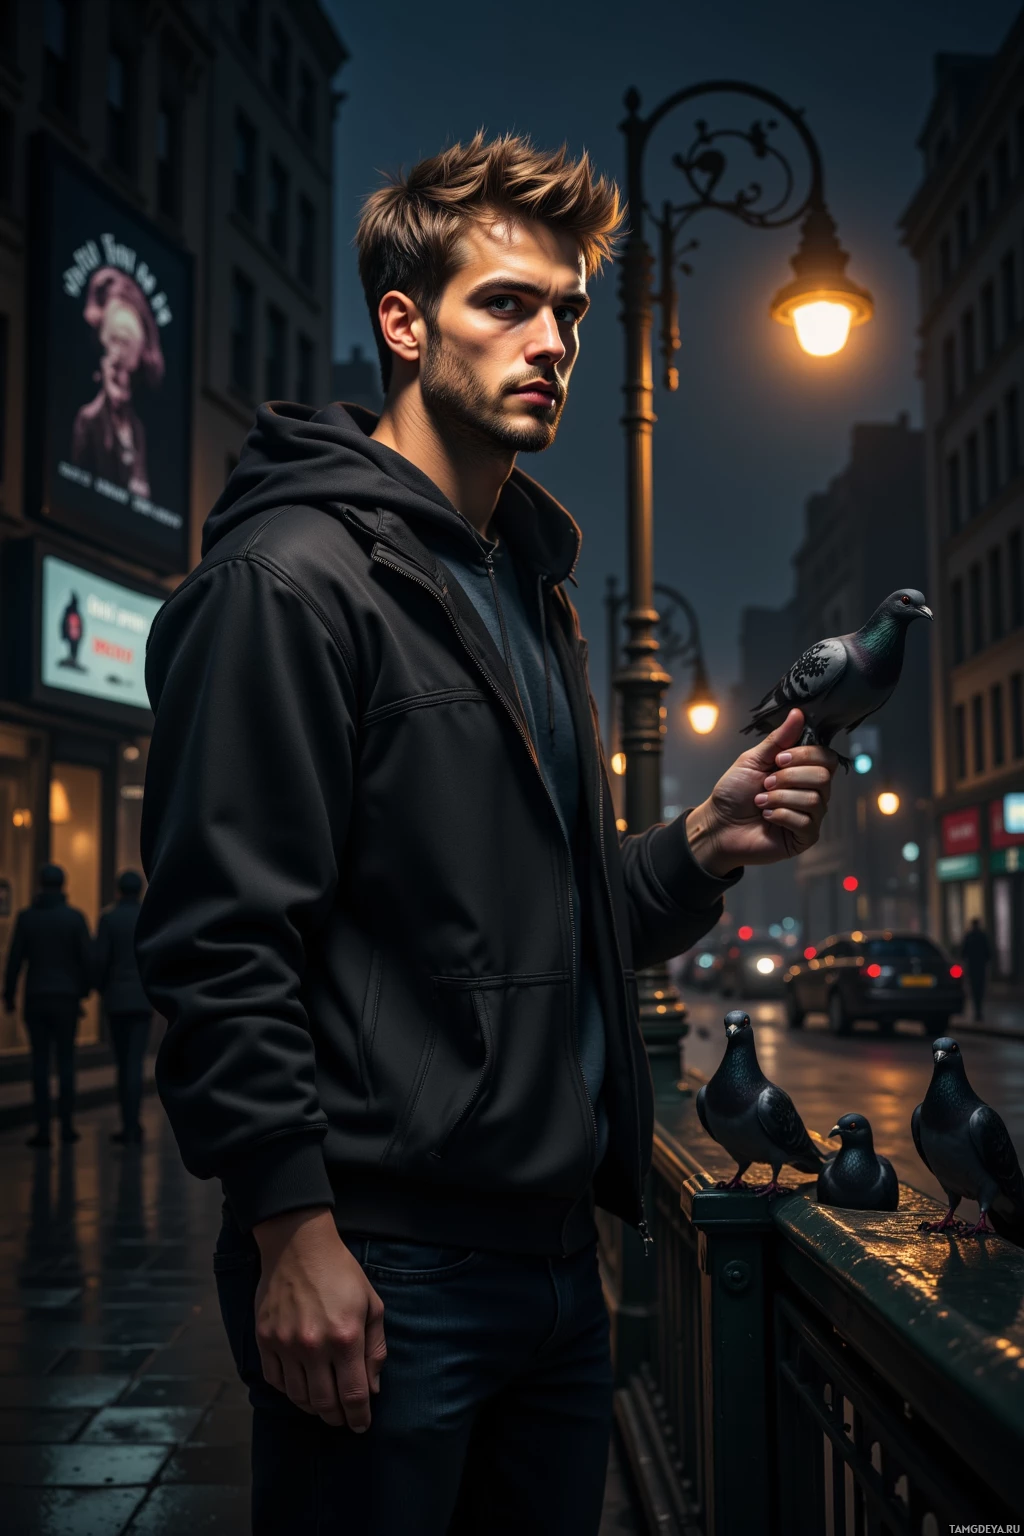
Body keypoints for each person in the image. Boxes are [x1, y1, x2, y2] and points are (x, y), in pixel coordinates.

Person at [136, 133, 838, 1536]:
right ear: (403, 323)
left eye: (569, 311)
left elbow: (547, 926)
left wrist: (703, 840)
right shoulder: (290, 582)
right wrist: (291, 1232)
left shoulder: (526, 589)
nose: (552, 341)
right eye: (504, 302)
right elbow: (219, 941)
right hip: (384, 1271)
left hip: (554, 1277)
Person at [3, 863, 91, 1148]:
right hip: (66, 998)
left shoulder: (27, 918)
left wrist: (8, 994)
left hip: (37, 998)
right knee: (66, 1062)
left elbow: (15, 960)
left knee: (39, 1064)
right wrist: (83, 991)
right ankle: (66, 1126)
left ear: (39, 884)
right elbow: (86, 959)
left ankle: (42, 1129)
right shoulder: (74, 918)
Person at [71, 266, 165, 498]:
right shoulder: (88, 421)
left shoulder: (137, 431)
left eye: (126, 344)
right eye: (114, 342)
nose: (120, 374)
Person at [93, 871, 152, 1144]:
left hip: (116, 999)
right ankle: (134, 1123)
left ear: (118, 889)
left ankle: (126, 1122)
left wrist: (101, 989)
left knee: (122, 1062)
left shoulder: (109, 917)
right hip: (142, 999)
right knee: (135, 1063)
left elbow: (101, 961)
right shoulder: (149, 915)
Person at [961, 917, 992, 1022]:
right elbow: (988, 953)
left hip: (972, 967)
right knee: (980, 989)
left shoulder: (969, 936)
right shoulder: (982, 936)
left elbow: (963, 953)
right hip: (980, 967)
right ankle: (979, 1011)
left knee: (974, 989)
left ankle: (977, 1011)